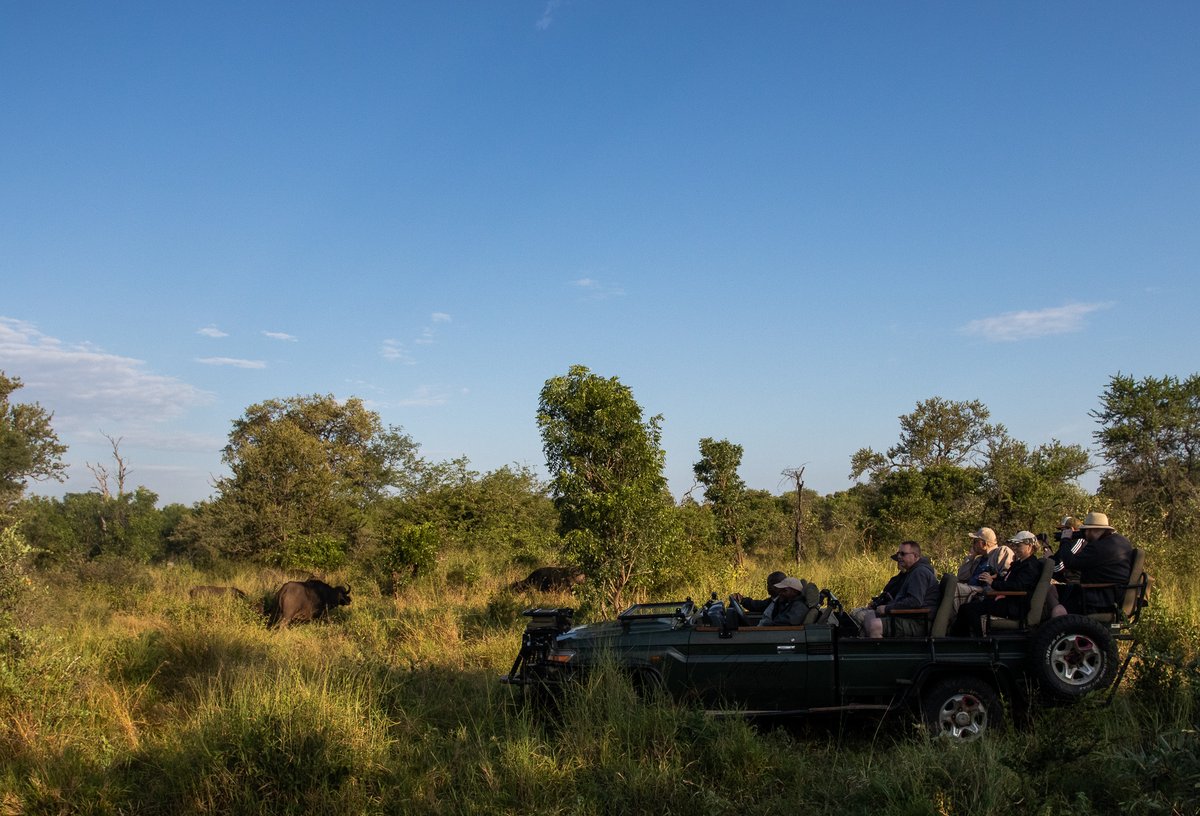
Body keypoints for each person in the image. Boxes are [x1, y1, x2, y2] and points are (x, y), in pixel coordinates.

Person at [952, 531, 1043, 636]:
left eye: (1018, 545)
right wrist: (995, 578)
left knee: (969, 609)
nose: (1015, 548)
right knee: (966, 608)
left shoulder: (1031, 566)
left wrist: (993, 583)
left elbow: (1018, 586)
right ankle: (962, 640)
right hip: (1006, 601)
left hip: (1013, 606)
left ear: (1030, 547)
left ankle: (978, 641)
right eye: (1014, 545)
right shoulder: (1020, 563)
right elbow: (1008, 580)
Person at [1051, 512, 1133, 615]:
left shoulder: (1098, 547)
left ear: (1092, 530)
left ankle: (1060, 629)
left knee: (1058, 611)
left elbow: (1070, 562)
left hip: (1098, 599)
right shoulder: (1122, 541)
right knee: (1052, 589)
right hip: (1113, 594)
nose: (1084, 534)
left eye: (1085, 531)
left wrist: (1065, 540)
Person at [859, 541, 940, 639]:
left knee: (874, 625)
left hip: (919, 622)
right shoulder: (912, 572)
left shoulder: (919, 573)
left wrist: (887, 608)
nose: (899, 557)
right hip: (909, 617)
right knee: (869, 615)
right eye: (898, 553)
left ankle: (883, 653)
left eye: (903, 554)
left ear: (915, 556)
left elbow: (915, 601)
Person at [952, 527, 1014, 612]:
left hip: (984, 591)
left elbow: (1006, 575)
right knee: (949, 585)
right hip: (970, 589)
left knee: (954, 588)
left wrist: (992, 581)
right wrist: (971, 556)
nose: (973, 545)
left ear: (984, 544)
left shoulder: (1002, 551)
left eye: (975, 542)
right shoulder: (978, 559)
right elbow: (962, 576)